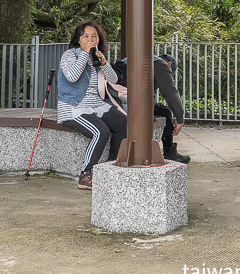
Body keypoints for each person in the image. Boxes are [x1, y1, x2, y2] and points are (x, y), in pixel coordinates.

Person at [57, 22, 127, 190]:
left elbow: (114, 79)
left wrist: (103, 62)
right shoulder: (70, 55)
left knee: (124, 123)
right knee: (100, 131)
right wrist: (84, 53)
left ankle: (110, 166)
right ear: (78, 39)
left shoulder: (96, 56)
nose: (90, 39)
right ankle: (86, 174)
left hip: (96, 105)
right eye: (85, 36)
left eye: (94, 36)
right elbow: (72, 77)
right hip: (73, 107)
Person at [113, 53, 191, 163]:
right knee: (165, 112)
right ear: (169, 64)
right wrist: (180, 118)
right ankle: (170, 152)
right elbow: (170, 93)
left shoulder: (132, 58)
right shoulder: (160, 64)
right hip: (135, 105)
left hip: (115, 102)